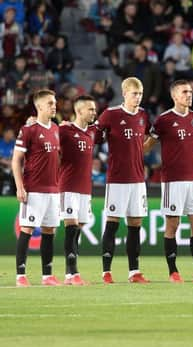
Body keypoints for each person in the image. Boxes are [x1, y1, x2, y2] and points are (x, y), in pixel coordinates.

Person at [144, 79, 193, 283]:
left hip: (192, 179)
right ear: (175, 96)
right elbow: (148, 145)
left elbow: (192, 147)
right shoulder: (164, 120)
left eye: (190, 92)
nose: (189, 95)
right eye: (184, 92)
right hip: (172, 180)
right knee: (172, 224)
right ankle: (173, 271)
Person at [95, 77, 151, 284]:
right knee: (112, 223)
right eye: (134, 94)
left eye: (140, 94)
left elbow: (150, 137)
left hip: (138, 180)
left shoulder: (143, 115)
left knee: (135, 224)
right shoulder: (111, 114)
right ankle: (106, 271)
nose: (138, 98)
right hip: (117, 179)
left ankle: (134, 271)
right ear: (125, 93)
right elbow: (94, 135)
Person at [12, 89, 60, 287]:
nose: (54, 105)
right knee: (27, 229)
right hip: (34, 189)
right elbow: (16, 160)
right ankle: (20, 275)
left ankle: (47, 275)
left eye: (54, 102)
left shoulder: (56, 128)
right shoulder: (28, 130)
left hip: (53, 190)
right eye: (50, 103)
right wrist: (19, 187)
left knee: (49, 231)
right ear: (39, 106)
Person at [58, 95, 98, 286]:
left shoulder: (91, 132)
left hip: (85, 189)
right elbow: (46, 134)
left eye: (94, 109)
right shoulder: (65, 129)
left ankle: (69, 274)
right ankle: (73, 274)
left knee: (77, 231)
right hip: (68, 187)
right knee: (71, 228)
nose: (94, 112)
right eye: (90, 109)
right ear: (79, 110)